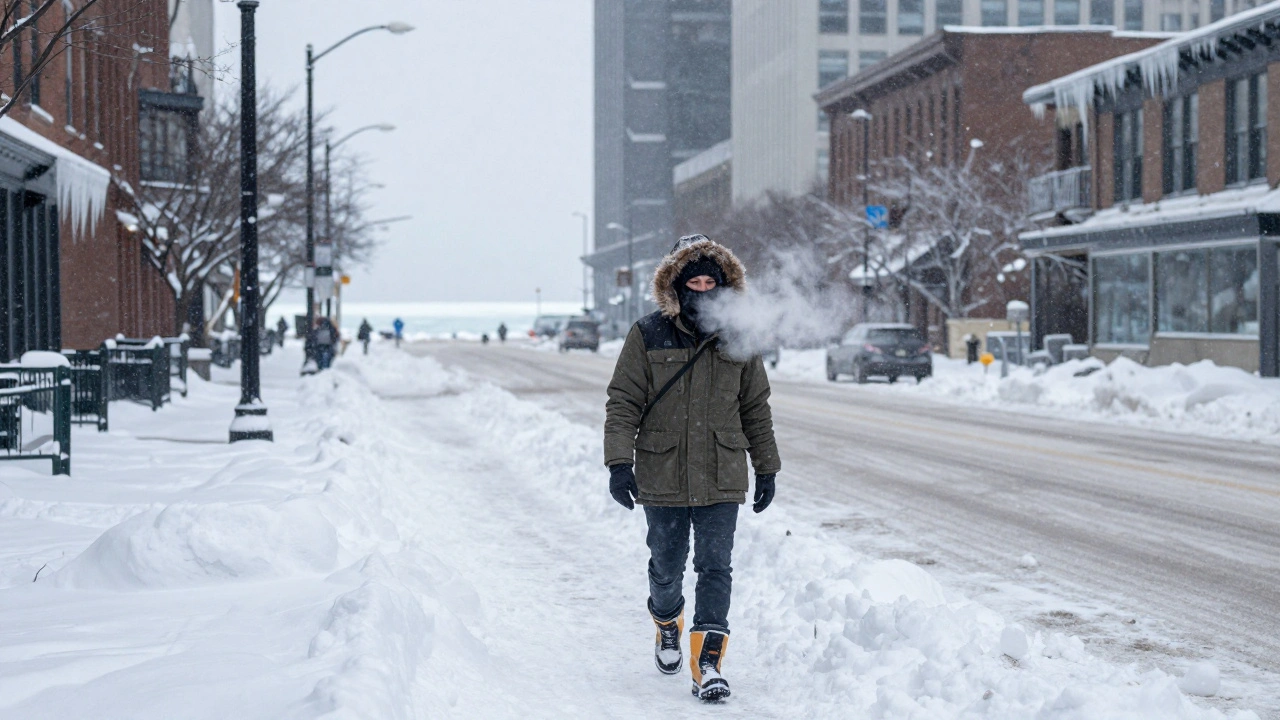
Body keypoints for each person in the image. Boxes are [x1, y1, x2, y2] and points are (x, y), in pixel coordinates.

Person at [604, 234, 780, 703]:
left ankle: (708, 663)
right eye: (693, 283)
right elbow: (623, 402)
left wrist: (767, 467)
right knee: (666, 567)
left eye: (710, 283)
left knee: (715, 567)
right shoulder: (648, 334)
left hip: (721, 472)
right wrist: (620, 463)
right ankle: (667, 623)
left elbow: (755, 408)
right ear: (676, 287)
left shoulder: (739, 337)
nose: (702, 291)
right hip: (663, 473)